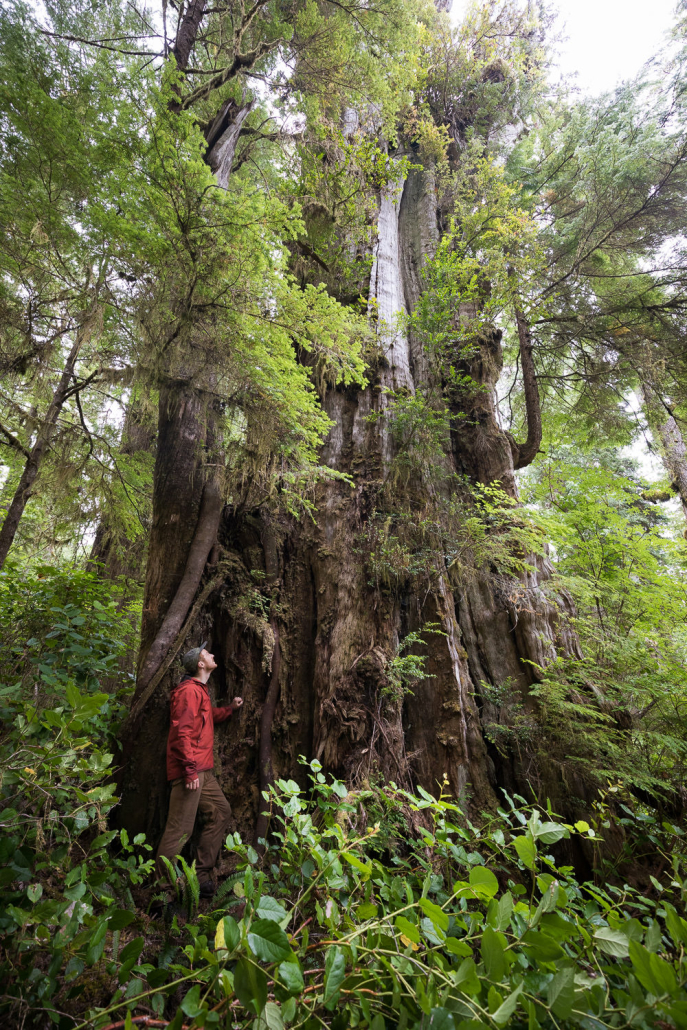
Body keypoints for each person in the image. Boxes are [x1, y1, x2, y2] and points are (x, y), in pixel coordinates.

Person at [155, 641, 243, 899]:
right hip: (190, 772)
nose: (213, 654)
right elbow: (181, 732)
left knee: (220, 811)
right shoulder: (187, 692)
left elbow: (206, 717)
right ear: (200, 664)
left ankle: (202, 875)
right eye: (207, 654)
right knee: (179, 830)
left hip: (203, 770)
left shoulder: (200, 691)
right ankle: (163, 892)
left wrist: (230, 710)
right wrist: (190, 771)